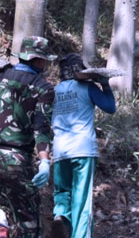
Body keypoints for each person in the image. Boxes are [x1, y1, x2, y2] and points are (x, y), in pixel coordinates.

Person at [51, 53, 116, 238]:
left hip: (60, 149)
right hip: (83, 148)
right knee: (82, 199)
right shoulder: (88, 87)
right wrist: (105, 84)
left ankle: (60, 215)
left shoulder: (53, 91)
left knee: (62, 190)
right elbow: (110, 108)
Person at [0, 36, 56, 238]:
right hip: (17, 161)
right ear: (39, 60)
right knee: (28, 221)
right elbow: (41, 128)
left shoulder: (2, 75)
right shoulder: (43, 88)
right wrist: (44, 161)